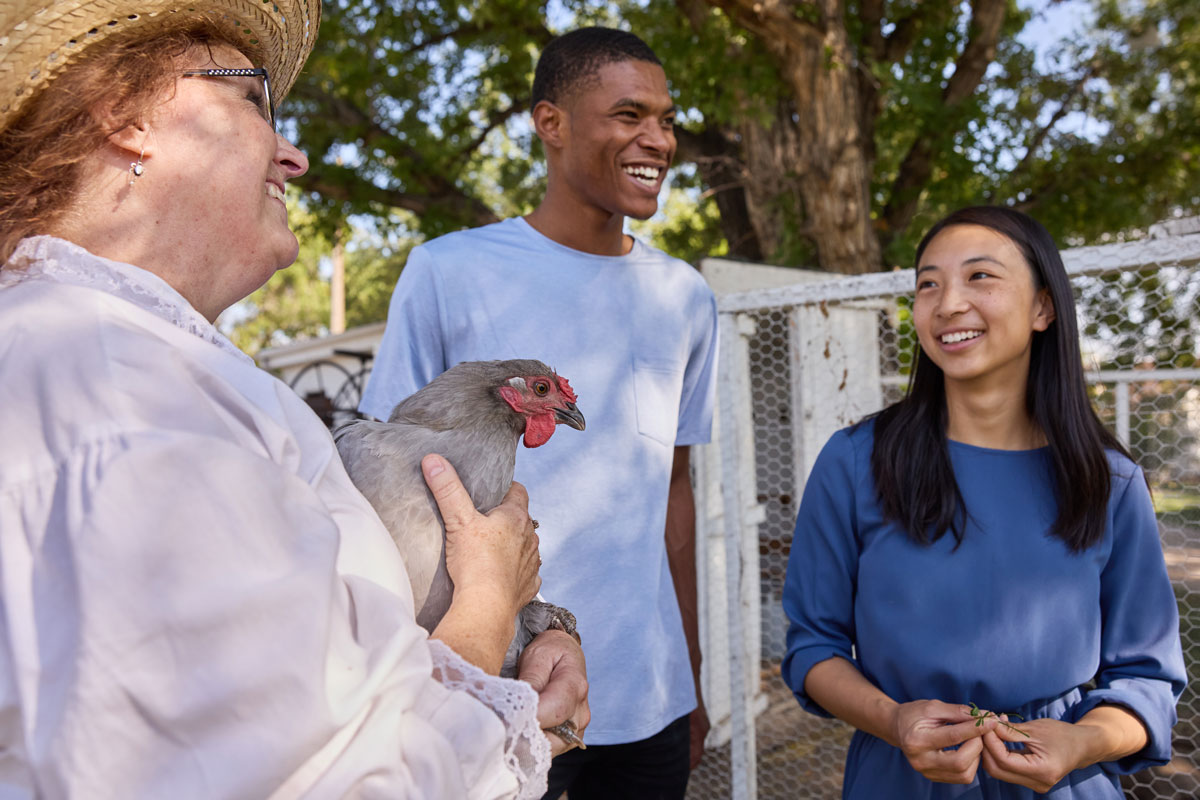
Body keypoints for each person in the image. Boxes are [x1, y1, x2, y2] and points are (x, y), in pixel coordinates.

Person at [0, 2, 588, 797]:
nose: (296, 155)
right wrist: (486, 610)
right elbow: (327, 777)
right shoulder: (111, 388)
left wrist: (528, 630)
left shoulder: (137, 369)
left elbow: (325, 660)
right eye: (251, 99)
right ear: (124, 118)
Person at [360, 26, 718, 800]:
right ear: (549, 123)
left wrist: (688, 670)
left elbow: (674, 491)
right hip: (492, 693)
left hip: (647, 698)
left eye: (665, 119)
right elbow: (377, 500)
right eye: (629, 115)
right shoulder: (447, 271)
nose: (657, 139)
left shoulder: (685, 296)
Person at [780, 206, 1187, 798]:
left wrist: (1080, 742)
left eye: (980, 277)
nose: (948, 303)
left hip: (1064, 782)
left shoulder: (1109, 481)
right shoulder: (854, 461)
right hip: (902, 777)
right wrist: (894, 720)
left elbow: (1146, 678)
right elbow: (813, 648)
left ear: (1043, 307)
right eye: (928, 283)